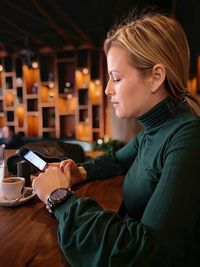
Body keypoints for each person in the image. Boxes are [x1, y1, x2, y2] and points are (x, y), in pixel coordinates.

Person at [33, 9, 200, 267]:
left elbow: (148, 253)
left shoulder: (188, 136)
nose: (108, 90)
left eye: (117, 78)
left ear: (156, 77)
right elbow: (117, 159)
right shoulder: (155, 128)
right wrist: (81, 172)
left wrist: (59, 197)